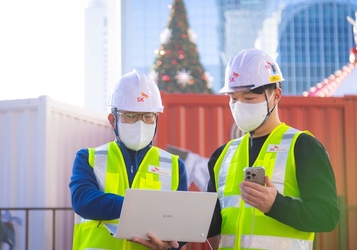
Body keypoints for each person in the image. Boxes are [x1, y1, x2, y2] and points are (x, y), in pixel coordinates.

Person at [206, 48, 340, 250]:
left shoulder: (303, 146)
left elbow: (327, 216)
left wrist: (276, 205)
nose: (239, 105)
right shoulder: (222, 155)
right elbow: (210, 222)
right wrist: (169, 234)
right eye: (233, 98)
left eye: (249, 98)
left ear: (276, 95)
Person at [69, 69, 188, 250]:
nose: (140, 123)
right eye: (130, 116)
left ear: (156, 119)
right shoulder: (88, 158)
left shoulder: (174, 166)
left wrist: (170, 246)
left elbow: (180, 223)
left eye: (148, 117)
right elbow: (82, 200)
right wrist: (134, 207)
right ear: (112, 120)